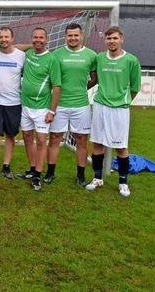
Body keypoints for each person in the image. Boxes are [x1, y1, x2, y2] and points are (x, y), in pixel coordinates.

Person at [86, 26, 141, 197]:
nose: (112, 41)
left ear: (121, 39)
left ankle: (123, 182)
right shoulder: (100, 58)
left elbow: (135, 88)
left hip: (120, 109)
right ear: (105, 41)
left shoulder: (131, 60)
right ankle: (97, 178)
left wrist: (123, 101)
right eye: (109, 39)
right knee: (97, 143)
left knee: (121, 147)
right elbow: (93, 78)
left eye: (115, 38)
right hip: (100, 106)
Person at [48, 24, 97, 186]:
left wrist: (81, 89)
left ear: (81, 36)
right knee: (55, 138)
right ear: (65, 36)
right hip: (59, 105)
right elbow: (51, 79)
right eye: (70, 35)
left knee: (81, 140)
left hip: (81, 105)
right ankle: (50, 173)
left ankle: (81, 175)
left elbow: (94, 78)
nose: (73, 38)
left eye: (76, 35)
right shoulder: (56, 54)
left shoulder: (91, 55)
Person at [19, 28, 61, 191]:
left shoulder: (52, 59)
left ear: (47, 39)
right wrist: (31, 45)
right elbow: (15, 47)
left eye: (41, 38)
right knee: (27, 138)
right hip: (25, 106)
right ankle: (31, 168)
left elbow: (57, 87)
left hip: (42, 108)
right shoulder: (28, 53)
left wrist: (52, 111)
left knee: (42, 141)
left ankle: (38, 174)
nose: (38, 40)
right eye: (35, 38)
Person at [0, 27, 25, 183]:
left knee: (10, 135)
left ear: (12, 38)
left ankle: (6, 166)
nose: (3, 40)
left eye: (6, 37)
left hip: (14, 102)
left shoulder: (22, 56)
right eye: (0, 37)